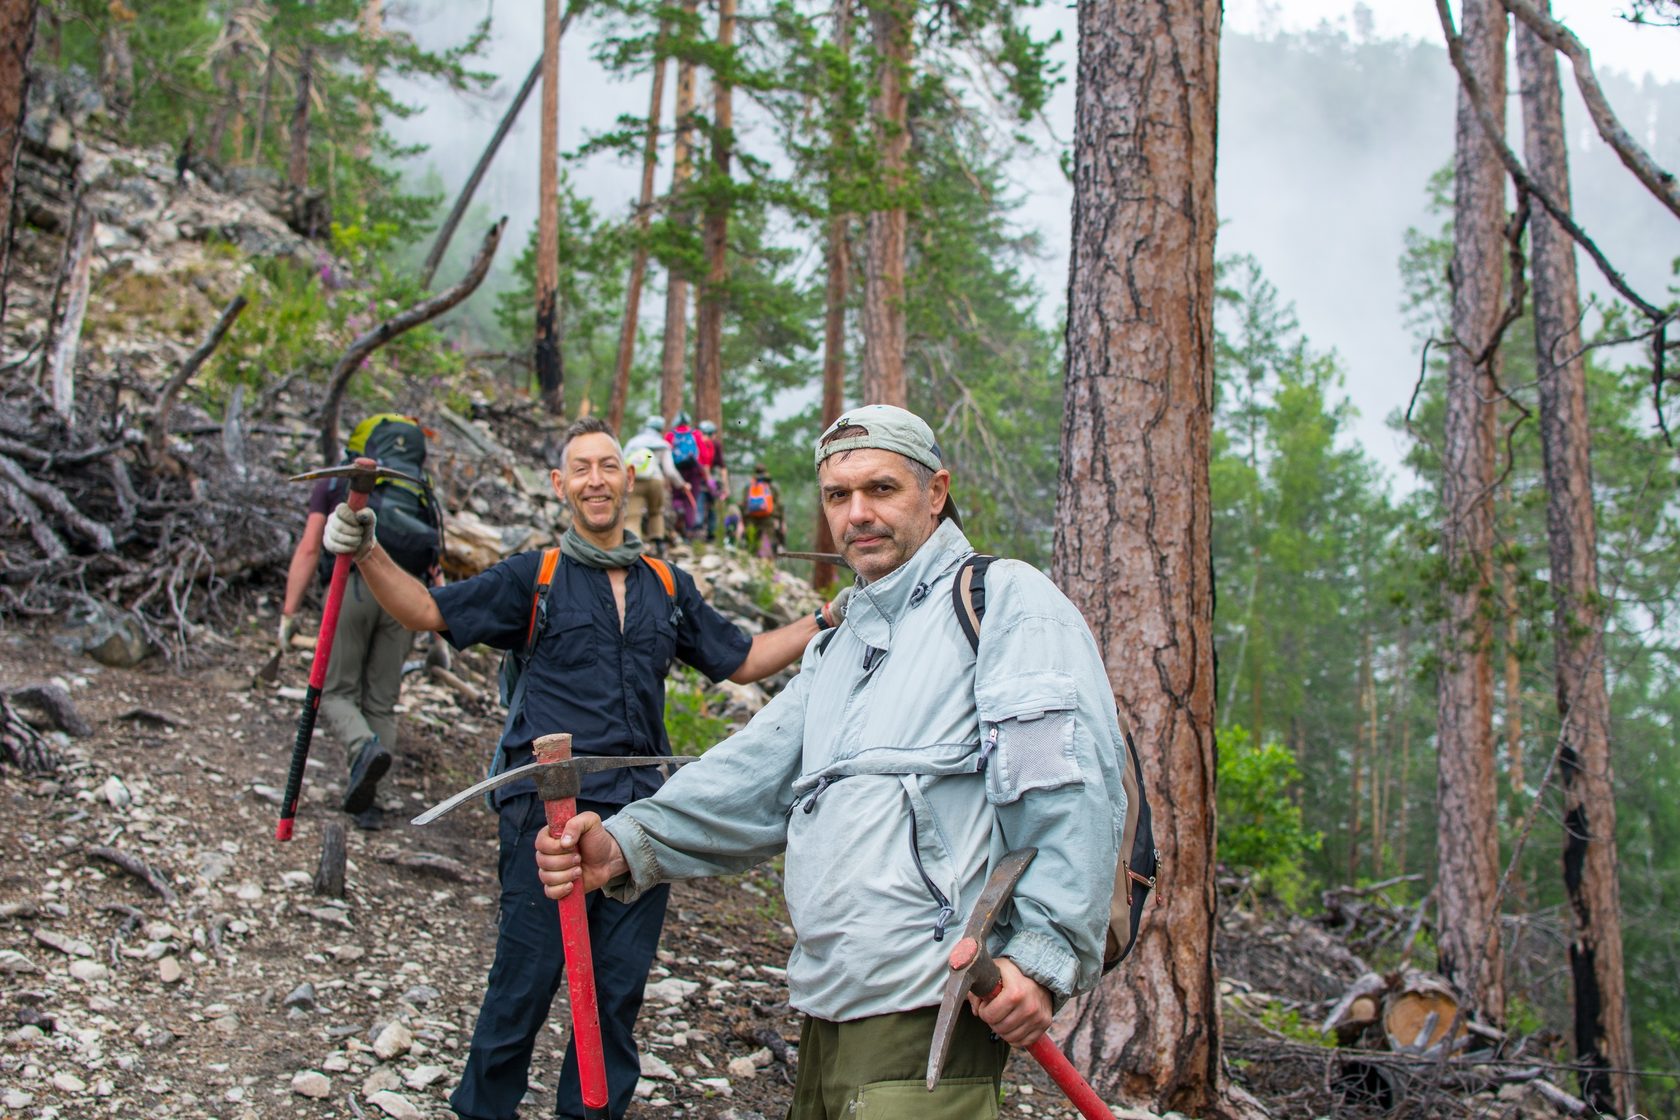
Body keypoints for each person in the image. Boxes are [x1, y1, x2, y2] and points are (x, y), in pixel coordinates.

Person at [535, 405, 1127, 1119]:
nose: (857, 515)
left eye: (881, 489)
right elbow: (756, 772)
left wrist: (1042, 956)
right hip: (827, 1004)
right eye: (838, 496)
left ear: (935, 492)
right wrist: (627, 842)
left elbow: (1063, 789)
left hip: (931, 1005)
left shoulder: (1005, 603)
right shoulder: (839, 645)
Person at [318, 416, 849, 1120]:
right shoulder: (531, 577)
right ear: (560, 484)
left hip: (640, 820)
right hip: (548, 815)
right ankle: (483, 1109)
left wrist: (824, 619)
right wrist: (367, 552)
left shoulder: (666, 582)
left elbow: (741, 658)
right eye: (581, 468)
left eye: (607, 465)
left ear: (629, 478)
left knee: (618, 993)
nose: (596, 479)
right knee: (523, 984)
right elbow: (423, 610)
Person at [279, 413, 444, 830]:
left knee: (335, 690)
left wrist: (288, 613)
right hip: (406, 597)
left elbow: (309, 549)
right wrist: (439, 632)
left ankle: (362, 747)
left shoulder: (338, 481)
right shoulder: (416, 488)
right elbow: (435, 561)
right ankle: (374, 801)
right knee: (381, 701)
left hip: (350, 589)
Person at [621, 415, 688, 552]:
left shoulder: (633, 442)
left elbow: (622, 462)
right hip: (655, 480)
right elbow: (669, 470)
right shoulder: (662, 444)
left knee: (633, 514)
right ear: (660, 428)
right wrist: (682, 484)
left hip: (634, 480)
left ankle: (634, 546)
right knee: (656, 512)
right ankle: (658, 543)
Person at [664, 412, 710, 538]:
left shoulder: (670, 435)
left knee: (677, 496)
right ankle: (689, 530)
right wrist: (704, 474)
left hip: (677, 470)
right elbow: (705, 456)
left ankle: (678, 516)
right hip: (693, 471)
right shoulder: (695, 434)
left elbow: (665, 455)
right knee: (691, 499)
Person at [740, 462, 783, 559]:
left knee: (752, 541)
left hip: (751, 518)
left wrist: (744, 519)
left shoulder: (749, 486)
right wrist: (779, 519)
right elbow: (779, 505)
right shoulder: (771, 487)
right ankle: (766, 562)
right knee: (767, 541)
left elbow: (744, 504)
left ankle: (752, 561)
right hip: (768, 518)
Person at [697, 418, 728, 542]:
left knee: (699, 505)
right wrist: (726, 487)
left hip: (699, 481)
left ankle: (697, 533)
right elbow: (722, 467)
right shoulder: (715, 445)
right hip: (713, 482)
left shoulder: (697, 444)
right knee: (712, 508)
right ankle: (712, 533)